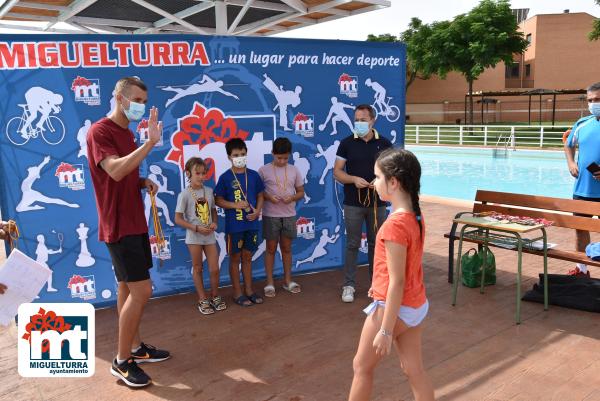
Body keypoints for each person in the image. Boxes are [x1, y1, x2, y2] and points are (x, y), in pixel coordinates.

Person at [87, 77, 170, 388]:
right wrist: (150, 143)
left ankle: (135, 349)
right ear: (118, 98)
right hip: (118, 225)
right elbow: (114, 169)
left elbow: (125, 176)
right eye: (136, 100)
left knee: (126, 287)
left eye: (144, 102)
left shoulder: (126, 133)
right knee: (142, 291)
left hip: (135, 221)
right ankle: (121, 361)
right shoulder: (100, 131)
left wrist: (141, 182)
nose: (140, 106)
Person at [349, 148, 434, 401]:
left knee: (361, 367)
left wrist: (385, 331)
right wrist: (377, 285)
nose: (374, 183)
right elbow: (403, 270)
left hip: (395, 307)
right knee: (413, 370)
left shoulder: (394, 225)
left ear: (394, 182)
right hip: (416, 305)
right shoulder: (415, 216)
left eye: (377, 177)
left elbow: (397, 281)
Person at [334, 104, 392, 303]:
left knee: (377, 245)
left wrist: (381, 180)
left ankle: (376, 285)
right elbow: (337, 171)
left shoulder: (384, 143)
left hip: (378, 204)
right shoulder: (346, 143)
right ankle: (349, 285)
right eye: (356, 119)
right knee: (352, 244)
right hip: (352, 203)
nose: (359, 123)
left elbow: (391, 170)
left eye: (363, 119)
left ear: (373, 120)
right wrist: (352, 179)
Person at [215, 138, 265, 307]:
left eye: (242, 154)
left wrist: (258, 211)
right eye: (236, 155)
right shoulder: (225, 177)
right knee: (235, 258)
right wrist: (235, 205)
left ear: (246, 153)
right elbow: (218, 200)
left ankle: (249, 290)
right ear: (229, 156)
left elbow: (260, 195)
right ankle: (237, 292)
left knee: (248, 257)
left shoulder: (254, 175)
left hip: (251, 223)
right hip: (234, 226)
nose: (240, 157)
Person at [175, 157, 226, 314]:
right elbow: (177, 219)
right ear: (188, 173)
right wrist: (195, 228)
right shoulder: (184, 194)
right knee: (197, 268)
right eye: (198, 173)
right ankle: (202, 299)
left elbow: (213, 211)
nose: (201, 176)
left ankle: (215, 296)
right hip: (194, 237)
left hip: (209, 236)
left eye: (204, 173)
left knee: (214, 269)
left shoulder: (209, 191)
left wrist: (214, 223)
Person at [258, 138, 305, 297]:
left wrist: (292, 198)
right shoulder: (263, 170)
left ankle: (288, 281)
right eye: (279, 157)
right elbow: (259, 192)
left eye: (285, 158)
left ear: (289, 155)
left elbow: (301, 192)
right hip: (271, 215)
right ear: (272, 154)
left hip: (289, 215)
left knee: (286, 248)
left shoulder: (294, 170)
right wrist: (268, 197)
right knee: (270, 249)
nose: (282, 161)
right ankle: (270, 283)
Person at [565, 81, 600, 278]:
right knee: (580, 230)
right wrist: (571, 163)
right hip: (582, 191)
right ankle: (582, 270)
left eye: (598, 99)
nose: (594, 103)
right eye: (590, 100)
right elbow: (568, 144)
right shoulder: (581, 124)